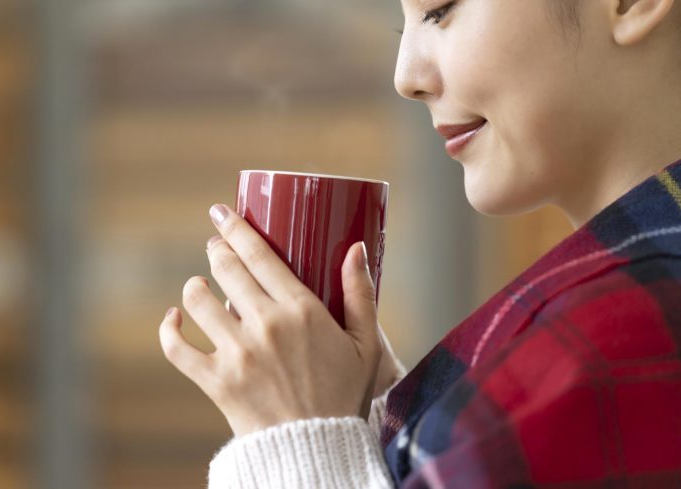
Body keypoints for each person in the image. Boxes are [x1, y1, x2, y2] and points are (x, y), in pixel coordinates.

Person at [159, 0, 681, 486]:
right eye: (400, 23)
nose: (405, 77)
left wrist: (298, 443)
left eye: (439, 10)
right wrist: (386, 414)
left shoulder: (601, 354)